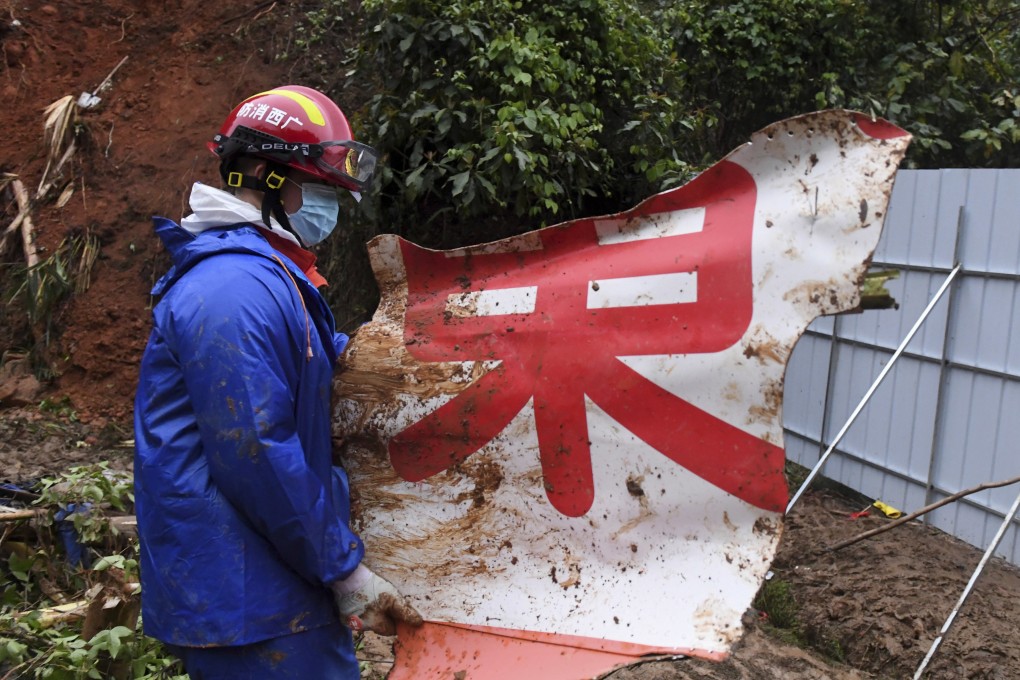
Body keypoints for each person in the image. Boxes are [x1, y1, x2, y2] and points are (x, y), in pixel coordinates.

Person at [133, 85, 422, 679]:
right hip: (250, 596)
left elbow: (313, 375)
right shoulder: (233, 289)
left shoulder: (266, 277)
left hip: (266, 584)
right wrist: (343, 568)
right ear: (264, 177)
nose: (328, 207)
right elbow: (256, 450)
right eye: (317, 188)